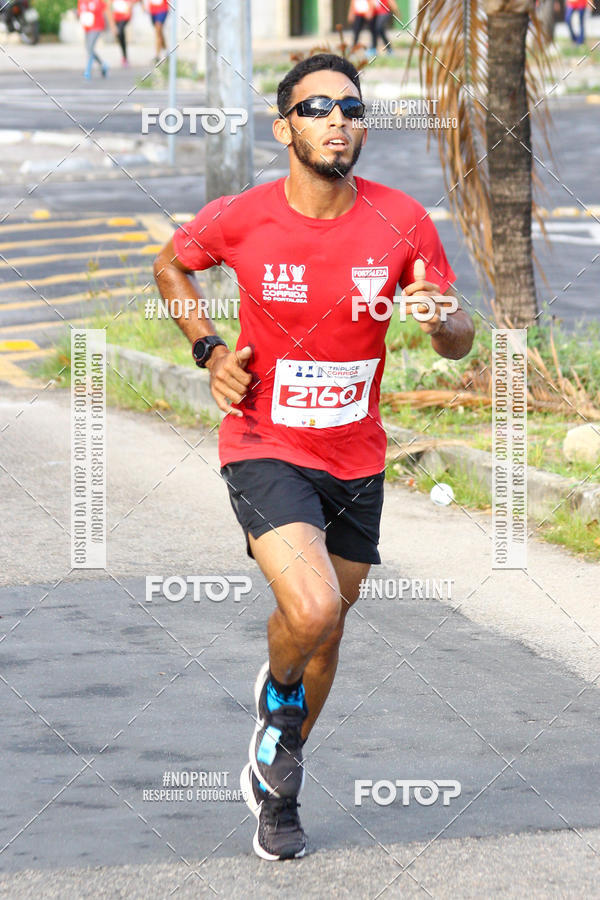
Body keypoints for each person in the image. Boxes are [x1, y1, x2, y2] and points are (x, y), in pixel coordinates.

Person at [153, 53, 474, 861]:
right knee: (316, 609)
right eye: (317, 107)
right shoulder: (244, 215)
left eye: (351, 108)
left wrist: (443, 321)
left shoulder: (402, 220)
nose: (338, 119)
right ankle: (284, 764)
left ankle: (281, 729)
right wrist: (208, 346)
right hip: (264, 442)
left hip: (357, 455)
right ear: (285, 127)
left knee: (326, 630)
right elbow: (171, 264)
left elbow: (456, 339)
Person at [77, 0, 115, 80]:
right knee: (89, 49)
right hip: (87, 27)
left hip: (97, 27)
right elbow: (81, 12)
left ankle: (88, 70)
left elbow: (106, 10)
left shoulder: (98, 1)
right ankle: (103, 65)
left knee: (90, 48)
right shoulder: (81, 1)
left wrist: (112, 25)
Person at [111, 0, 136, 66]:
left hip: (125, 16)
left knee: (120, 31)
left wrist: (130, 8)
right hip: (116, 17)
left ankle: (125, 57)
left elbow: (132, 2)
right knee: (121, 37)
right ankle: (124, 57)